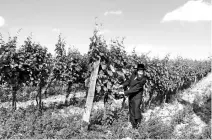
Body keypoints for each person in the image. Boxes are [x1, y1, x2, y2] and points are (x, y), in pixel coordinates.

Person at [118, 63, 147, 129]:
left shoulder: (143, 80)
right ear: (137, 71)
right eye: (139, 71)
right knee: (131, 110)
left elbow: (136, 88)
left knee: (136, 109)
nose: (140, 73)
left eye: (142, 72)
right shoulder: (134, 74)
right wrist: (123, 85)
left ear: (143, 72)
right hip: (131, 95)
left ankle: (138, 125)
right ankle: (133, 126)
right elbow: (129, 81)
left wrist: (124, 93)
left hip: (137, 96)